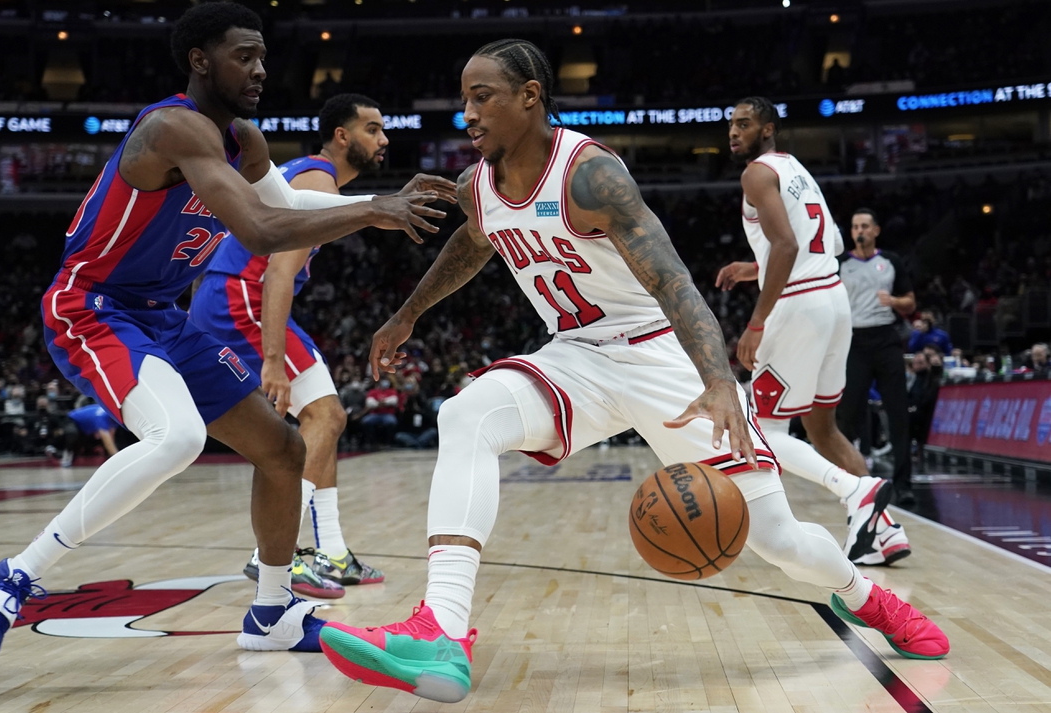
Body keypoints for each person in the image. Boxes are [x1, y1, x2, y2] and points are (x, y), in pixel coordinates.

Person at [318, 38, 948, 704]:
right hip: (578, 355)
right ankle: (441, 631)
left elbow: (674, 279)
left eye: (482, 97)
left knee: (778, 538)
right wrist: (408, 313)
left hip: (659, 355)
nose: (467, 114)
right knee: (463, 415)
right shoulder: (480, 182)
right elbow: (474, 241)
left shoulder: (589, 174)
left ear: (529, 97)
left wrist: (714, 381)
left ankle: (866, 596)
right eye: (463, 98)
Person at [0, 2, 452, 663]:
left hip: (161, 313)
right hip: (94, 306)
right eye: (243, 55)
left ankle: (272, 611)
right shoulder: (173, 129)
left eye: (264, 56)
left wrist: (376, 209)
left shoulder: (241, 140)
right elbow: (261, 231)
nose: (260, 69)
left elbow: (286, 203)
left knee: (282, 449)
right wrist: (369, 209)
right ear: (199, 60)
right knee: (180, 436)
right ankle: (8, 579)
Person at [190, 93, 395, 597]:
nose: (384, 139)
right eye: (372, 129)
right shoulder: (316, 177)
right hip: (242, 296)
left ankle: (333, 553)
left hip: (233, 295)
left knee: (328, 418)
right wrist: (274, 360)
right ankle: (271, 556)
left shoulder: (309, 176)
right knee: (325, 416)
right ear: (342, 137)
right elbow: (279, 271)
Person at [716, 97, 908, 567]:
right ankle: (884, 531)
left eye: (744, 124)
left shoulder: (756, 173)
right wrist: (756, 266)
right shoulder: (795, 168)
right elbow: (832, 242)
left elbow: (786, 243)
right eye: (731, 125)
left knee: (760, 429)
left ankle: (856, 490)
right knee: (822, 429)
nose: (733, 132)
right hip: (833, 301)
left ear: (767, 129)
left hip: (797, 307)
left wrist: (757, 322)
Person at [836, 209, 917, 506]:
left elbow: (910, 303)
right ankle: (846, 483)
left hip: (885, 338)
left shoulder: (891, 261)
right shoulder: (840, 263)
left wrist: (894, 301)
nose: (860, 230)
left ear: (876, 230)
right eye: (855, 225)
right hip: (854, 341)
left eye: (865, 226)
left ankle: (904, 484)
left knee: (898, 414)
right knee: (846, 413)